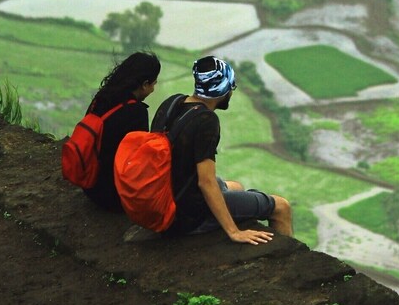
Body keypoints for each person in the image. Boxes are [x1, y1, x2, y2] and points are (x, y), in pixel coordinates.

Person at [155, 56, 292, 244]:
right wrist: (234, 232)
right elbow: (206, 182)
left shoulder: (172, 103)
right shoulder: (206, 121)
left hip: (164, 198)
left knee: (235, 186)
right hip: (188, 216)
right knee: (281, 207)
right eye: (231, 87)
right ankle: (283, 260)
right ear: (223, 89)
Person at [83, 51, 161, 211]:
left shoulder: (101, 98)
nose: (153, 89)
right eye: (153, 83)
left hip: (90, 184)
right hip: (113, 196)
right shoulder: (136, 112)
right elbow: (140, 161)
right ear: (145, 84)